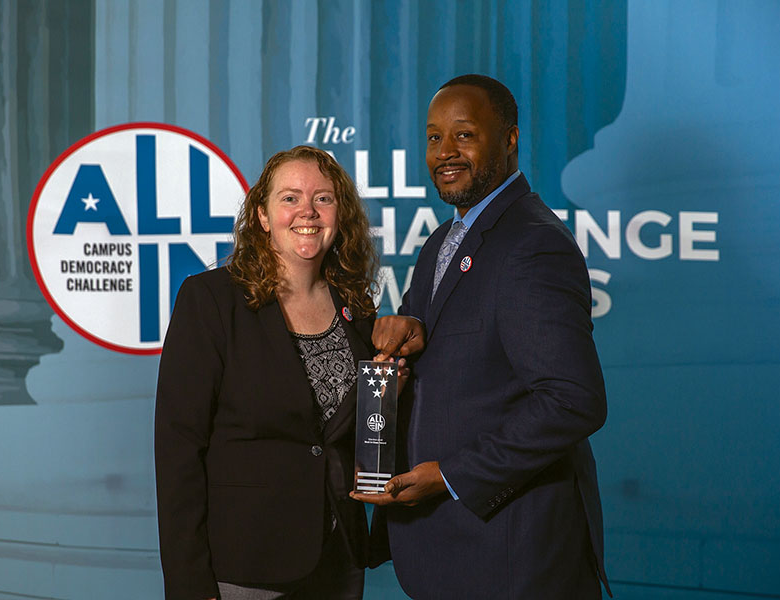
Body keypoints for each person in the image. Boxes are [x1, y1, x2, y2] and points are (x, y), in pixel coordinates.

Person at [353, 75, 611, 599]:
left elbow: (573, 400)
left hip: (512, 559)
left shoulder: (533, 244)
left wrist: (450, 475)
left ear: (510, 139)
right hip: (447, 552)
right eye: (433, 137)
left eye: (464, 135)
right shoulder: (441, 244)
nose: (444, 152)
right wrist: (403, 334)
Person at [155, 145, 380, 599]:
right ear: (261, 215)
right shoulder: (211, 301)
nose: (308, 212)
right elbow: (178, 450)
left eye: (323, 198)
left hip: (338, 559)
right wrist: (188, 583)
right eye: (290, 198)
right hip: (245, 565)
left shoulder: (357, 308)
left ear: (341, 212)